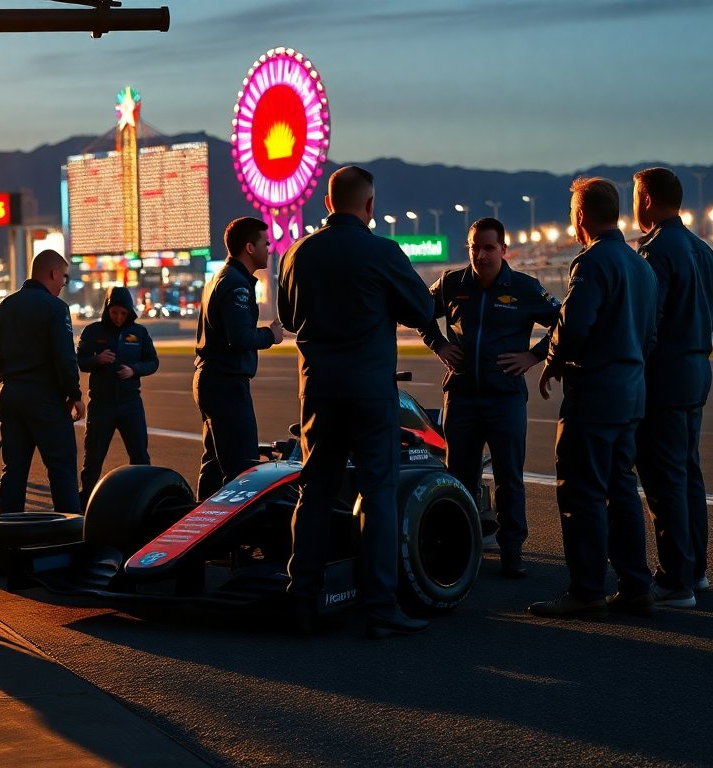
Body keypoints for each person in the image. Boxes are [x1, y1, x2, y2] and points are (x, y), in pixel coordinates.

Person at [278, 166, 434, 639]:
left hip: (319, 390)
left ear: (327, 203)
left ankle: (302, 602)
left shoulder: (296, 253)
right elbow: (422, 310)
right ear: (369, 207)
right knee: (379, 495)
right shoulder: (381, 251)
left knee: (314, 493)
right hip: (369, 390)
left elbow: (287, 315)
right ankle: (380, 609)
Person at [531, 177, 657, 620]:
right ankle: (635, 584)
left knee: (581, 492)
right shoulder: (640, 264)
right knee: (622, 488)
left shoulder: (592, 263)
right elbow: (650, 334)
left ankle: (585, 589)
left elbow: (575, 325)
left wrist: (552, 357)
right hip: (631, 391)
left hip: (595, 393)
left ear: (580, 217)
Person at [420, 216, 560, 577]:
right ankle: (461, 548)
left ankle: (512, 550)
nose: (480, 255)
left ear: (503, 249)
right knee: (459, 477)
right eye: (474, 247)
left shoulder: (525, 288)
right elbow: (417, 310)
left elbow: (564, 321)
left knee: (509, 478)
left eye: (488, 247)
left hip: (505, 398)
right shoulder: (452, 283)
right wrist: (437, 344)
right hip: (462, 397)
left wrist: (534, 355)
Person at [631, 167, 713, 607]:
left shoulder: (656, 251)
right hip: (697, 369)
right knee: (688, 473)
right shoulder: (702, 248)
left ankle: (674, 579)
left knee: (663, 477)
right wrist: (691, 331)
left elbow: (648, 322)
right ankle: (696, 570)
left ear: (647, 200)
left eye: (635, 196)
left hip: (665, 375)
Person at [0, 249, 85, 516]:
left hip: (11, 393)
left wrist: (12, 370)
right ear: (53, 273)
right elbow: (64, 356)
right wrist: (74, 393)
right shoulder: (55, 308)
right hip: (45, 397)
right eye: (64, 278)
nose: (63, 284)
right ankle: (70, 536)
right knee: (61, 469)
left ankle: (7, 533)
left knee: (13, 470)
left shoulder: (4, 305)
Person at [192, 216, 284, 500]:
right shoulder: (237, 285)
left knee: (214, 465)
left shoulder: (219, 278)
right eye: (264, 243)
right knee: (242, 467)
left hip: (211, 380)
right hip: (226, 383)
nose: (269, 248)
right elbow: (240, 337)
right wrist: (271, 336)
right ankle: (236, 538)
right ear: (249, 247)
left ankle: (199, 527)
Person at [77, 286, 159, 505]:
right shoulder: (93, 331)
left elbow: (153, 361)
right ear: (107, 309)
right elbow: (79, 361)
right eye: (114, 312)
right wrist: (97, 358)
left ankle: (146, 500)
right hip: (101, 405)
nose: (118, 318)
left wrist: (135, 370)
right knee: (93, 458)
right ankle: (84, 503)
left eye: (123, 313)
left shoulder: (139, 333)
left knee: (140, 457)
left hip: (130, 404)